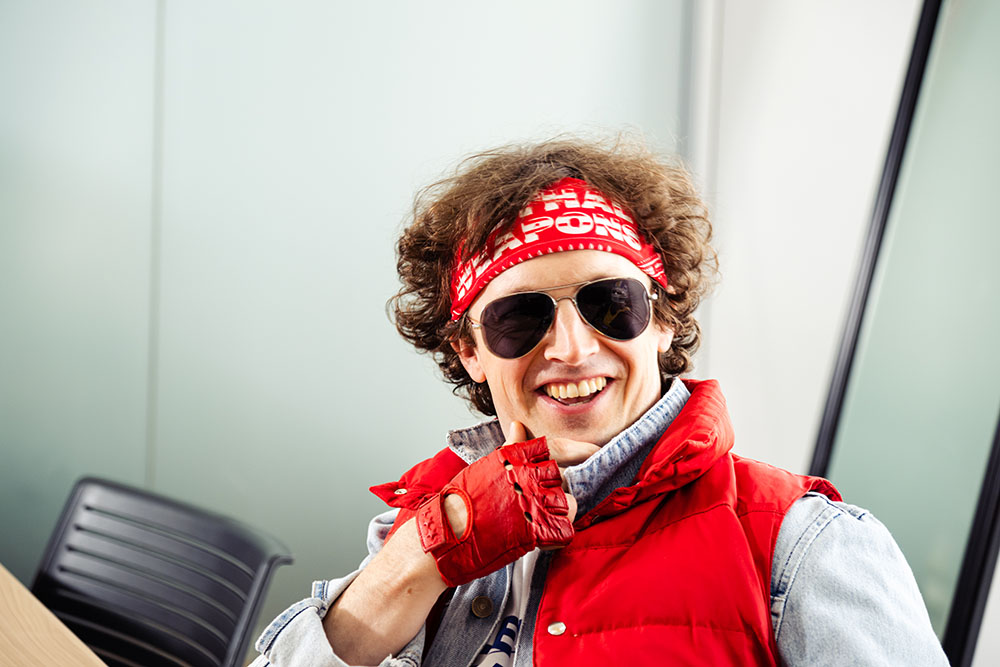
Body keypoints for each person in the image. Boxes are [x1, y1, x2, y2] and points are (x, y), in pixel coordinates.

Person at [250, 138, 947, 666]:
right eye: (519, 317)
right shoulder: (420, 524)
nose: (573, 348)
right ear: (469, 349)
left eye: (610, 302)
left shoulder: (803, 546)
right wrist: (429, 549)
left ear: (663, 320)